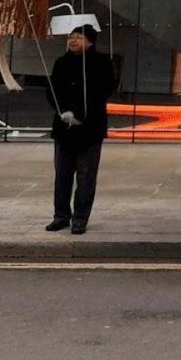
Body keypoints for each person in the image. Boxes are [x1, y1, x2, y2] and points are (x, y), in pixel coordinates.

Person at [47, 24, 111, 235]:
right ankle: (61, 215)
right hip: (64, 129)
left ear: (90, 41)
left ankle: (80, 218)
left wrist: (82, 117)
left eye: (78, 37)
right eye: (71, 37)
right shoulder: (61, 62)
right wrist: (63, 111)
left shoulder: (102, 63)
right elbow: (52, 91)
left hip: (89, 129)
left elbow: (103, 92)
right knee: (62, 175)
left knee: (86, 177)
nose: (73, 41)